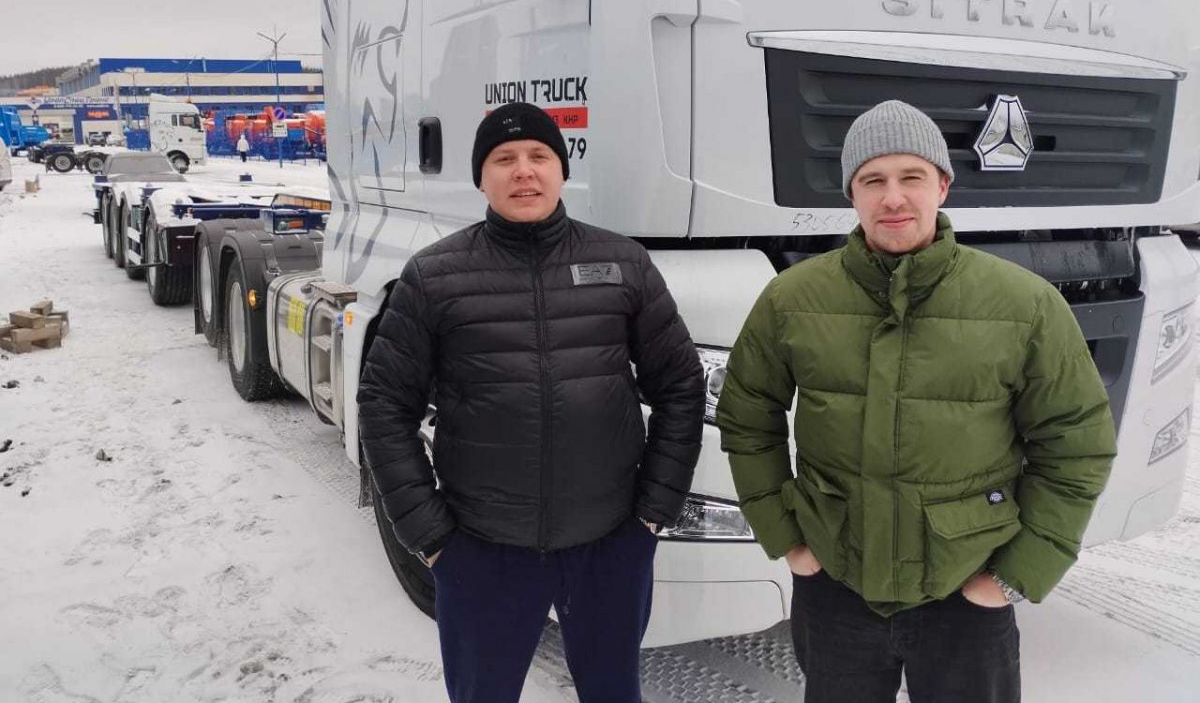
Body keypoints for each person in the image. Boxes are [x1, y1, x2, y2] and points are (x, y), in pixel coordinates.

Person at [716, 99, 1116, 703]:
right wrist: (788, 540)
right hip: (835, 589)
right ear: (851, 194)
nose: (893, 198)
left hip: (967, 591)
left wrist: (1015, 575)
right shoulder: (791, 299)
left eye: (912, 177)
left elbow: (1077, 445)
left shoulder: (1025, 305)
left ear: (943, 186)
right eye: (872, 180)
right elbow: (747, 418)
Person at [357, 102, 705, 703]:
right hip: (483, 551)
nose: (524, 170)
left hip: (609, 545)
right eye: (504, 159)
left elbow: (680, 385)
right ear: (481, 178)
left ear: (562, 171)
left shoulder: (623, 264)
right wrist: (431, 535)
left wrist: (652, 513)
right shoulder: (434, 277)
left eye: (539, 156)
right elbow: (383, 405)